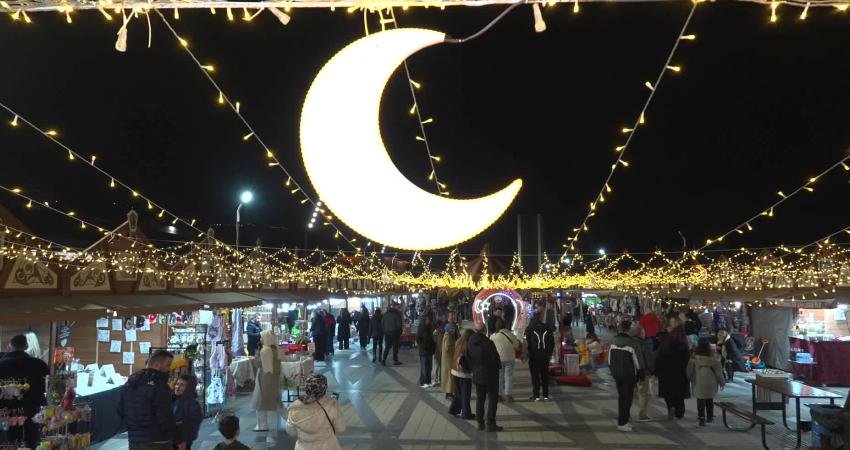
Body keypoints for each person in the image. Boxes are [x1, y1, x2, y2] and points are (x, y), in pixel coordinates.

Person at [118, 349, 181, 450]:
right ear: (157, 365)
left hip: (134, 440)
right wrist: (178, 438)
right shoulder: (160, 385)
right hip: (157, 442)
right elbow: (165, 416)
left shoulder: (130, 382)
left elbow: (120, 409)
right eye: (168, 365)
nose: (169, 369)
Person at [0, 335, 50, 449]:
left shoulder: (1, 364)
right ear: (26, 346)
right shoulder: (39, 364)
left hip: (8, 407)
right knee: (32, 436)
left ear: (10, 346)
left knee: (11, 436)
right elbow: (47, 386)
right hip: (32, 405)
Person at [286, 374, 346, 450]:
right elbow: (341, 428)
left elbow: (290, 431)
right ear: (324, 388)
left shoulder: (295, 408)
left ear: (306, 388)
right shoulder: (331, 407)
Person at [467, 323, 502, 432]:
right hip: (490, 375)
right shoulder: (489, 343)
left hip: (477, 374)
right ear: (485, 330)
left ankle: (480, 422)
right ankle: (490, 423)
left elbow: (468, 357)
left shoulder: (470, 342)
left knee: (480, 398)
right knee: (492, 399)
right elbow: (496, 359)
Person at [655, 314, 690, 420]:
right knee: (678, 393)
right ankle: (679, 412)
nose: (670, 324)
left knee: (668, 392)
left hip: (668, 368)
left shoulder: (673, 336)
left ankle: (672, 408)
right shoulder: (680, 336)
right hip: (679, 370)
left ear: (677, 323)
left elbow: (663, 351)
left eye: (672, 322)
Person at [609, 320, 641, 432]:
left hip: (617, 374)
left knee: (621, 397)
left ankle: (623, 421)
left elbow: (609, 359)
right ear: (628, 329)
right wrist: (640, 373)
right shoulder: (632, 343)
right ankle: (623, 422)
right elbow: (637, 361)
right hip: (629, 375)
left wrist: (613, 371)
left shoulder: (613, 341)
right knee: (627, 399)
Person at [687, 338, 725, 426]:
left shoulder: (694, 357)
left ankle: (701, 418)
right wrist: (722, 383)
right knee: (709, 399)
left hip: (698, 381)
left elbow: (689, 369)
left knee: (700, 400)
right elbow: (719, 373)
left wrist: (688, 378)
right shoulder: (714, 358)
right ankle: (710, 417)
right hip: (711, 382)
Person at [251, 330, 281, 431]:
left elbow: (257, 364)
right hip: (274, 378)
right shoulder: (276, 349)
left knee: (260, 402)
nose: (260, 339)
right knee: (274, 403)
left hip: (264, 379)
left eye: (262, 337)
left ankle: (262, 425)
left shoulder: (265, 351)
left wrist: (257, 352)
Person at [525, 307, 555, 401]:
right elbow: (552, 342)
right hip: (545, 355)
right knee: (544, 375)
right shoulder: (547, 327)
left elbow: (527, 342)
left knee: (535, 376)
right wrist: (549, 353)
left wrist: (528, 353)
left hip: (534, 356)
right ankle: (545, 394)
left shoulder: (530, 328)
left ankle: (536, 395)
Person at [629, 323, 655, 422]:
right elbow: (648, 359)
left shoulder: (629, 343)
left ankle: (626, 413)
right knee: (643, 393)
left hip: (631, 372)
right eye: (643, 332)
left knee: (631, 394)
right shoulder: (642, 344)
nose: (645, 333)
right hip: (642, 372)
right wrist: (651, 370)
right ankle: (642, 414)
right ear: (638, 334)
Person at [491, 321, 521, 402]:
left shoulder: (493, 336)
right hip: (510, 358)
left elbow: (490, 347)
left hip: (498, 359)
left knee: (499, 376)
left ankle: (499, 395)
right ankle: (508, 395)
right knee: (509, 376)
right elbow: (516, 345)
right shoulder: (511, 335)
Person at [448, 329, 475, 419]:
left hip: (455, 371)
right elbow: (467, 360)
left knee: (458, 393)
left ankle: (454, 410)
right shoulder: (468, 345)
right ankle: (466, 414)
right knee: (465, 395)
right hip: (464, 373)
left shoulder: (458, 342)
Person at [173, 375, 202, 450]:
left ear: (189, 388)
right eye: (177, 384)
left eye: (182, 385)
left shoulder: (193, 404)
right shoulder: (173, 399)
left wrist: (184, 441)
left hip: (181, 443)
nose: (177, 387)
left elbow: (193, 426)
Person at [416, 315, 436, 387]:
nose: (428, 321)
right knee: (424, 367)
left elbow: (432, 339)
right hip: (424, 351)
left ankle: (428, 381)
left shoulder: (430, 328)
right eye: (427, 319)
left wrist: (433, 347)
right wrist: (423, 347)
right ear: (424, 320)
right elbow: (418, 339)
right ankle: (423, 382)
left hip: (430, 350)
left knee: (429, 367)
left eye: (429, 319)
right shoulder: (421, 328)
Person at [441, 321, 459, 400]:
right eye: (453, 329)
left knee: (449, 377)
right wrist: (454, 346)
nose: (454, 331)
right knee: (449, 377)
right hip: (448, 359)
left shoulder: (448, 335)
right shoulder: (447, 336)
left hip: (448, 359)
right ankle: (449, 393)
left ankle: (450, 392)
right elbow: (447, 348)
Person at [433, 319, 445, 386]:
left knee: (438, 366)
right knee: (438, 366)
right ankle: (437, 380)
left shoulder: (439, 332)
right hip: (438, 352)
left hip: (438, 352)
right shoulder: (437, 333)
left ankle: (438, 380)